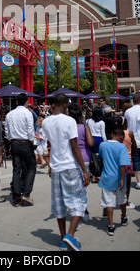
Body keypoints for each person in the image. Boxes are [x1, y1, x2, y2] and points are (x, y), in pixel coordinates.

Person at [42, 94, 90, 252]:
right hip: (70, 166)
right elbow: (74, 146)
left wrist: (50, 164)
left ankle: (64, 239)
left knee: (59, 205)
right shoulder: (69, 121)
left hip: (56, 167)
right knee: (79, 202)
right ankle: (70, 235)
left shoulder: (46, 122)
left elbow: (50, 145)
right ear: (63, 105)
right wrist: (84, 169)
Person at [5, 93, 37, 207]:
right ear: (26, 102)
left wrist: (11, 140)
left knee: (16, 169)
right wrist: (32, 141)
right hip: (25, 142)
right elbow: (30, 130)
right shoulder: (28, 113)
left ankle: (16, 198)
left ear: (17, 102)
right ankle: (26, 192)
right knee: (31, 166)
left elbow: (7, 131)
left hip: (14, 142)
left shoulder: (9, 114)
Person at [98, 127, 131, 236]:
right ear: (121, 136)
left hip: (106, 177)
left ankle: (111, 225)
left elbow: (101, 158)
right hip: (118, 177)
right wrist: (122, 178)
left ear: (112, 134)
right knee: (122, 199)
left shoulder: (103, 145)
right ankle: (123, 216)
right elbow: (123, 164)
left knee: (109, 202)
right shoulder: (122, 147)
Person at [68, 102, 94, 222]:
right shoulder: (84, 127)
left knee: (74, 187)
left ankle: (77, 210)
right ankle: (84, 210)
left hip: (72, 159)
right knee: (84, 186)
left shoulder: (68, 128)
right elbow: (90, 143)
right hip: (85, 158)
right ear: (80, 117)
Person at [86, 107, 107, 183]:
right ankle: (98, 174)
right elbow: (103, 134)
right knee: (99, 158)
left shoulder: (89, 121)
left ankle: (93, 174)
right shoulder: (101, 122)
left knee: (92, 157)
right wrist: (106, 142)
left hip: (91, 138)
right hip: (99, 139)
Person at [121, 117, 137, 209]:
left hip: (116, 161)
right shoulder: (129, 133)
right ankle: (126, 201)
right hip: (127, 159)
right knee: (127, 183)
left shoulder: (114, 134)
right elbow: (134, 146)